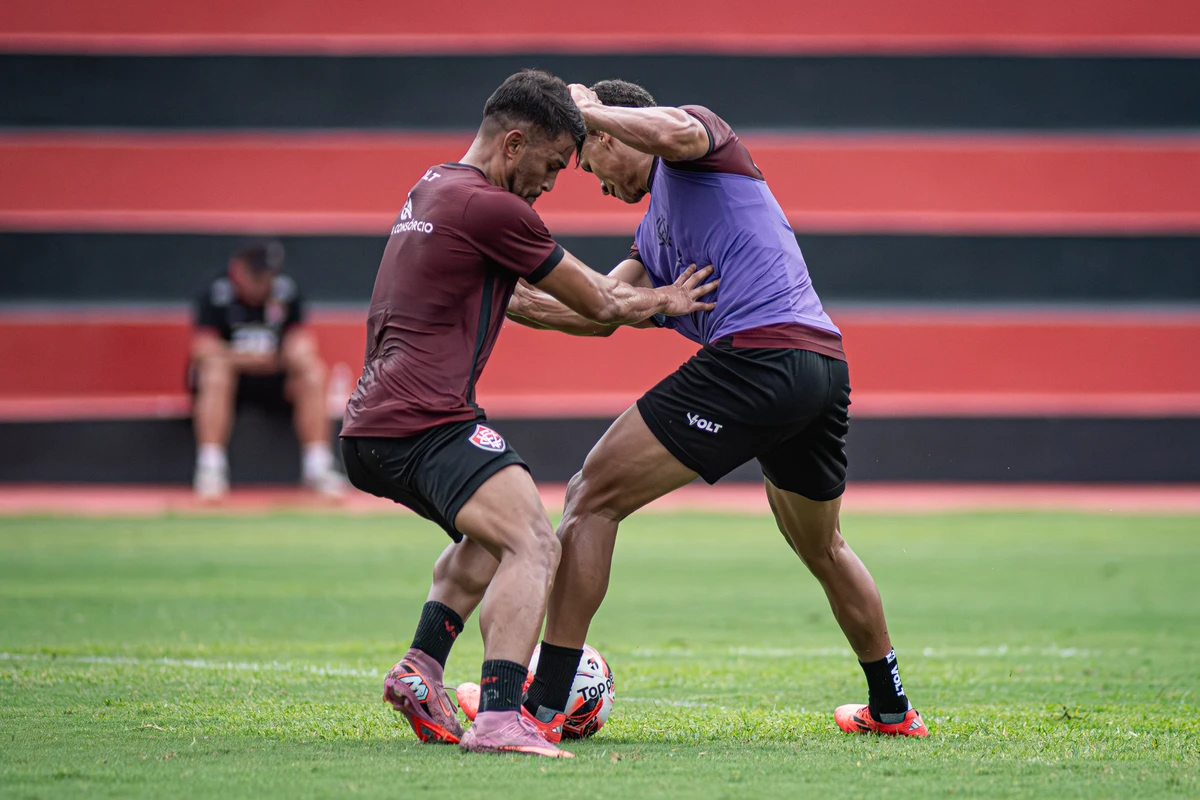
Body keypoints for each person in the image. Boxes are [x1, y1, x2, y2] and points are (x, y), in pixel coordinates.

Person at [460, 80, 929, 738]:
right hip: (819, 366)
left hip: (759, 358)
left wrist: (582, 110)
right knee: (823, 547)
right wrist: (484, 290)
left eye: (589, 162)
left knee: (591, 496)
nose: (592, 181)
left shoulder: (703, 144)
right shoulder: (650, 239)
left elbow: (677, 131)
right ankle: (892, 709)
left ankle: (542, 710)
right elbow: (593, 312)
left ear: (610, 133)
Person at [337, 69, 717, 758]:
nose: (547, 187)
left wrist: (613, 309)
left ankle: (421, 668)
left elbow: (527, 303)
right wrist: (667, 299)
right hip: (423, 421)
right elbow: (601, 301)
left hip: (372, 426)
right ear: (513, 144)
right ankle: (502, 717)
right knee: (535, 542)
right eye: (547, 167)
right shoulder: (495, 209)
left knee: (489, 532)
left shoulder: (433, 186)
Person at [190, 240, 345, 499]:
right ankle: (210, 468)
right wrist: (243, 359)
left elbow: (301, 339)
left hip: (275, 378)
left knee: (313, 372)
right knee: (214, 373)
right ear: (238, 270)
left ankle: (318, 466)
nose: (262, 284)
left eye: (267, 276)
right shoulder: (216, 292)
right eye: (256, 276)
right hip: (232, 381)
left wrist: (294, 353)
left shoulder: (285, 291)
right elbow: (202, 349)